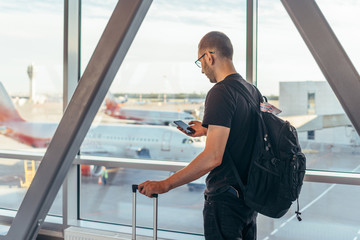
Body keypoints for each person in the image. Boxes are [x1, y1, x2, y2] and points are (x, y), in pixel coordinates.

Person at [138, 31, 261, 240]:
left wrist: (165, 184)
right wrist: (208, 130)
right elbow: (246, 136)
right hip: (248, 201)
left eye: (200, 61)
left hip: (225, 201)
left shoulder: (221, 92)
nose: (202, 70)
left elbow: (213, 156)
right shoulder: (251, 91)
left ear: (209, 57)